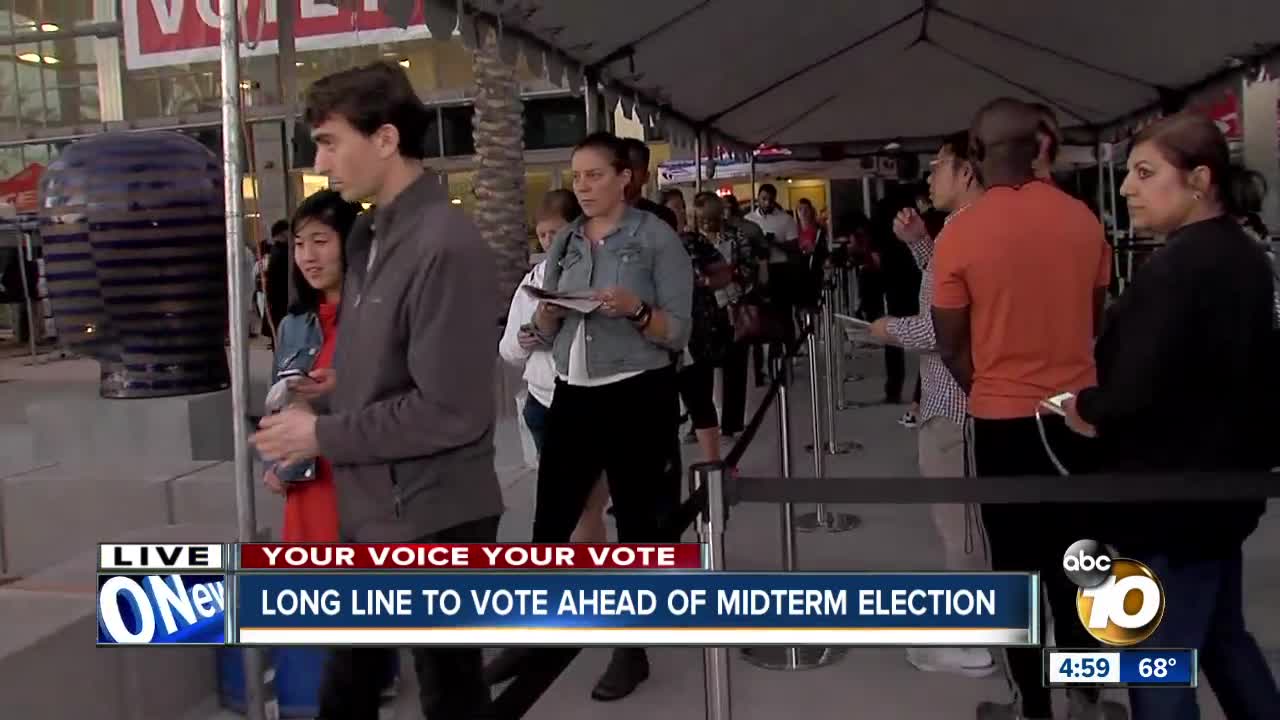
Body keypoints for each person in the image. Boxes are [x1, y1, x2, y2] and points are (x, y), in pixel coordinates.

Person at [250, 61, 502, 720]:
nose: (319, 159)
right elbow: (391, 371)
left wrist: (320, 432)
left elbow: (452, 410)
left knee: (446, 691)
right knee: (355, 678)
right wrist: (330, 394)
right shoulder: (370, 234)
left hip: (435, 515)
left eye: (330, 141)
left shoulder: (443, 244)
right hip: (375, 507)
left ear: (385, 139)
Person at [1061, 113, 1280, 720]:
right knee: (1220, 637)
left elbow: (1138, 387)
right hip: (1221, 491)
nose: (1128, 187)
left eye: (1145, 172)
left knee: (1157, 660)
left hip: (1168, 500)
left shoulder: (1179, 268)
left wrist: (1084, 409)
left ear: (1199, 179)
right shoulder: (1244, 255)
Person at [930, 98, 1121, 720]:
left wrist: (989, 387)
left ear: (978, 155)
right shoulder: (1085, 220)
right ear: (1039, 147)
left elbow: (951, 343)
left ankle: (1033, 708)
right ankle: (1087, 696)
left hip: (1002, 421)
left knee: (1015, 575)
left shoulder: (960, 233)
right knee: (1082, 563)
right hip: (1077, 418)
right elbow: (1094, 321)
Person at [530, 131, 692, 701]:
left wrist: (636, 309)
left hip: (636, 391)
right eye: (576, 177)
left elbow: (677, 331)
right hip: (573, 390)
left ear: (625, 177)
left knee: (637, 527)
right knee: (548, 521)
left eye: (594, 175)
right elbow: (546, 321)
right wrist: (543, 321)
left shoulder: (655, 240)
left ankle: (632, 648)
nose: (583, 186)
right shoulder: (568, 241)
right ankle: (535, 639)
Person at [871, 131, 994, 679]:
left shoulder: (973, 234)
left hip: (957, 402)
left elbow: (942, 327)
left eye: (940, 165)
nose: (929, 176)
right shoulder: (958, 234)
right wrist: (922, 243)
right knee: (960, 522)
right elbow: (942, 293)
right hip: (950, 398)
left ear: (967, 172)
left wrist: (886, 330)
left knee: (961, 524)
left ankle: (975, 642)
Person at [497, 189, 610, 544]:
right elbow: (509, 350)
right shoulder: (534, 279)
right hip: (545, 405)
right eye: (543, 234)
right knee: (571, 507)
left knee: (588, 505)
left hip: (595, 403)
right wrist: (527, 338)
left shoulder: (606, 270)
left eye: (555, 233)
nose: (549, 241)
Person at [260, 189, 360, 543]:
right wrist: (277, 464)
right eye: (300, 244)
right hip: (304, 485)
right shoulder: (294, 325)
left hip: (362, 487)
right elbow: (276, 405)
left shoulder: (377, 318)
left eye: (321, 241)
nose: (308, 256)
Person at [696, 191, 763, 440]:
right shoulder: (691, 240)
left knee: (735, 365)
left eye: (708, 217)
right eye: (701, 218)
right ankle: (702, 422)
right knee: (702, 369)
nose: (705, 223)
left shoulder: (736, 236)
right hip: (703, 309)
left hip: (733, 304)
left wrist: (731, 276)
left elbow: (751, 267)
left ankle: (732, 422)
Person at [678, 200, 736, 461]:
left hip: (699, 327)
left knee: (701, 396)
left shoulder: (694, 243)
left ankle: (713, 463)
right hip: (659, 335)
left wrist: (707, 282)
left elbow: (725, 272)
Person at [621, 137, 679, 230]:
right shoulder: (597, 215)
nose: (628, 175)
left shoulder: (661, 217)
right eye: (621, 168)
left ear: (646, 177)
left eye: (634, 167)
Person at [264, 219, 291, 346]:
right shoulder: (282, 253)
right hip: (281, 304)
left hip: (277, 304)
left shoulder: (276, 251)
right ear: (283, 233)